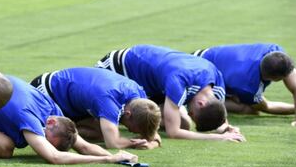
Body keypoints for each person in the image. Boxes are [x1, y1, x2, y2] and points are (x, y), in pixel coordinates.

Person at [96, 44, 245, 142]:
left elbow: (215, 110)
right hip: (116, 71)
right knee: (101, 130)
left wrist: (225, 128)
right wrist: (216, 138)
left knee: (184, 124)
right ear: (201, 103)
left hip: (152, 85)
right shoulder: (178, 81)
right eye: (193, 114)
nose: (190, 114)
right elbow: (173, 132)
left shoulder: (216, 86)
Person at [0, 75, 138, 164]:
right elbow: (54, 157)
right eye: (45, 138)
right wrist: (108, 159)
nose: (40, 141)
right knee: (5, 148)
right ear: (51, 123)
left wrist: (119, 157)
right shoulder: (31, 119)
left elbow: (84, 146)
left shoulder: (55, 111)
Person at [30, 67, 162, 149]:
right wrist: (135, 143)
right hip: (45, 93)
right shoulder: (108, 101)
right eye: (134, 129)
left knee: (102, 131)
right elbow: (113, 143)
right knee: (103, 133)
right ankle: (65, 131)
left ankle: (72, 129)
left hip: (73, 101)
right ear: (128, 114)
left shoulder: (140, 99)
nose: (133, 132)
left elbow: (151, 133)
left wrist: (151, 143)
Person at [193, 43, 296, 125]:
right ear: (275, 78)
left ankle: (231, 94)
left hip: (204, 56)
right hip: (197, 74)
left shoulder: (274, 50)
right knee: (249, 109)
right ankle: (189, 101)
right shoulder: (248, 87)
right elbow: (267, 107)